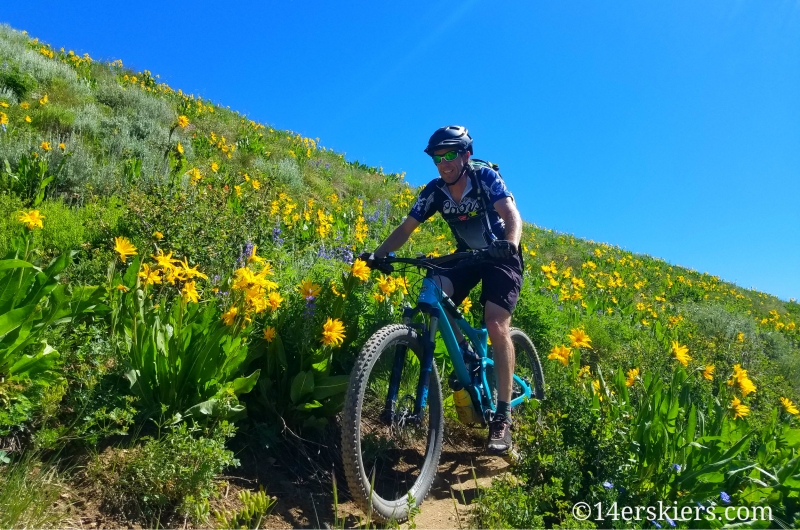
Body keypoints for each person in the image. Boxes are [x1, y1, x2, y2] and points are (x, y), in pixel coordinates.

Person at [362, 125, 523, 454]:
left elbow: (511, 215)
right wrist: (377, 256)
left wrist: (510, 244)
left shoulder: (485, 179)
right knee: (432, 288)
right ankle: (465, 351)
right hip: (467, 256)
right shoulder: (435, 191)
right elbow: (406, 228)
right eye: (437, 156)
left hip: (500, 255)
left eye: (450, 154)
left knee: (495, 323)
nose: (443, 162)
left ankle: (502, 417)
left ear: (465, 155)